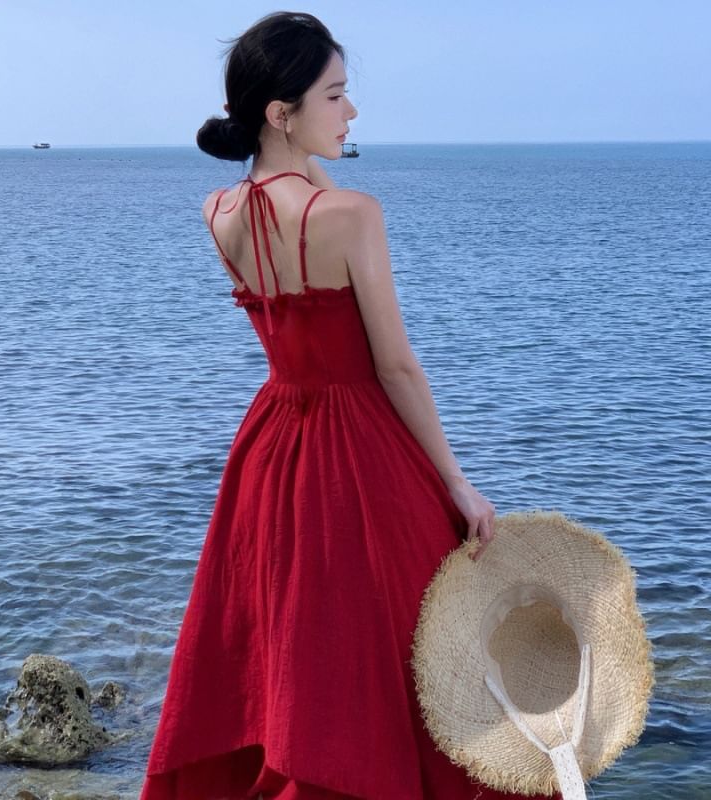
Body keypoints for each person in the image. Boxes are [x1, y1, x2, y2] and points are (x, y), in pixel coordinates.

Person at [141, 11, 558, 800]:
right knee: (416, 643)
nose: (351, 112)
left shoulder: (218, 212)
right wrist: (457, 482)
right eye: (334, 96)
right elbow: (395, 366)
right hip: (360, 448)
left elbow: (289, 215)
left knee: (296, 644)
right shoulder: (353, 215)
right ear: (281, 112)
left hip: (272, 450)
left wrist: (298, 156)